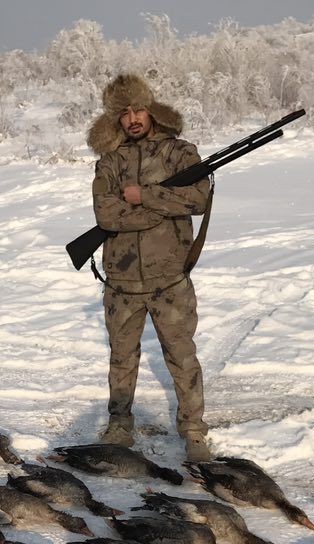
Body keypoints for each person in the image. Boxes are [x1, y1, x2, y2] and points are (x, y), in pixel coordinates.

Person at [87, 74, 214, 462]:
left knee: (182, 356)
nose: (132, 119)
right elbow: (106, 213)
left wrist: (145, 196)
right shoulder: (110, 162)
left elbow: (199, 198)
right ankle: (120, 424)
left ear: (151, 110)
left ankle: (193, 432)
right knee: (121, 358)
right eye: (123, 113)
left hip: (170, 278)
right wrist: (158, 209)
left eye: (138, 109)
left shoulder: (180, 153)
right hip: (122, 281)